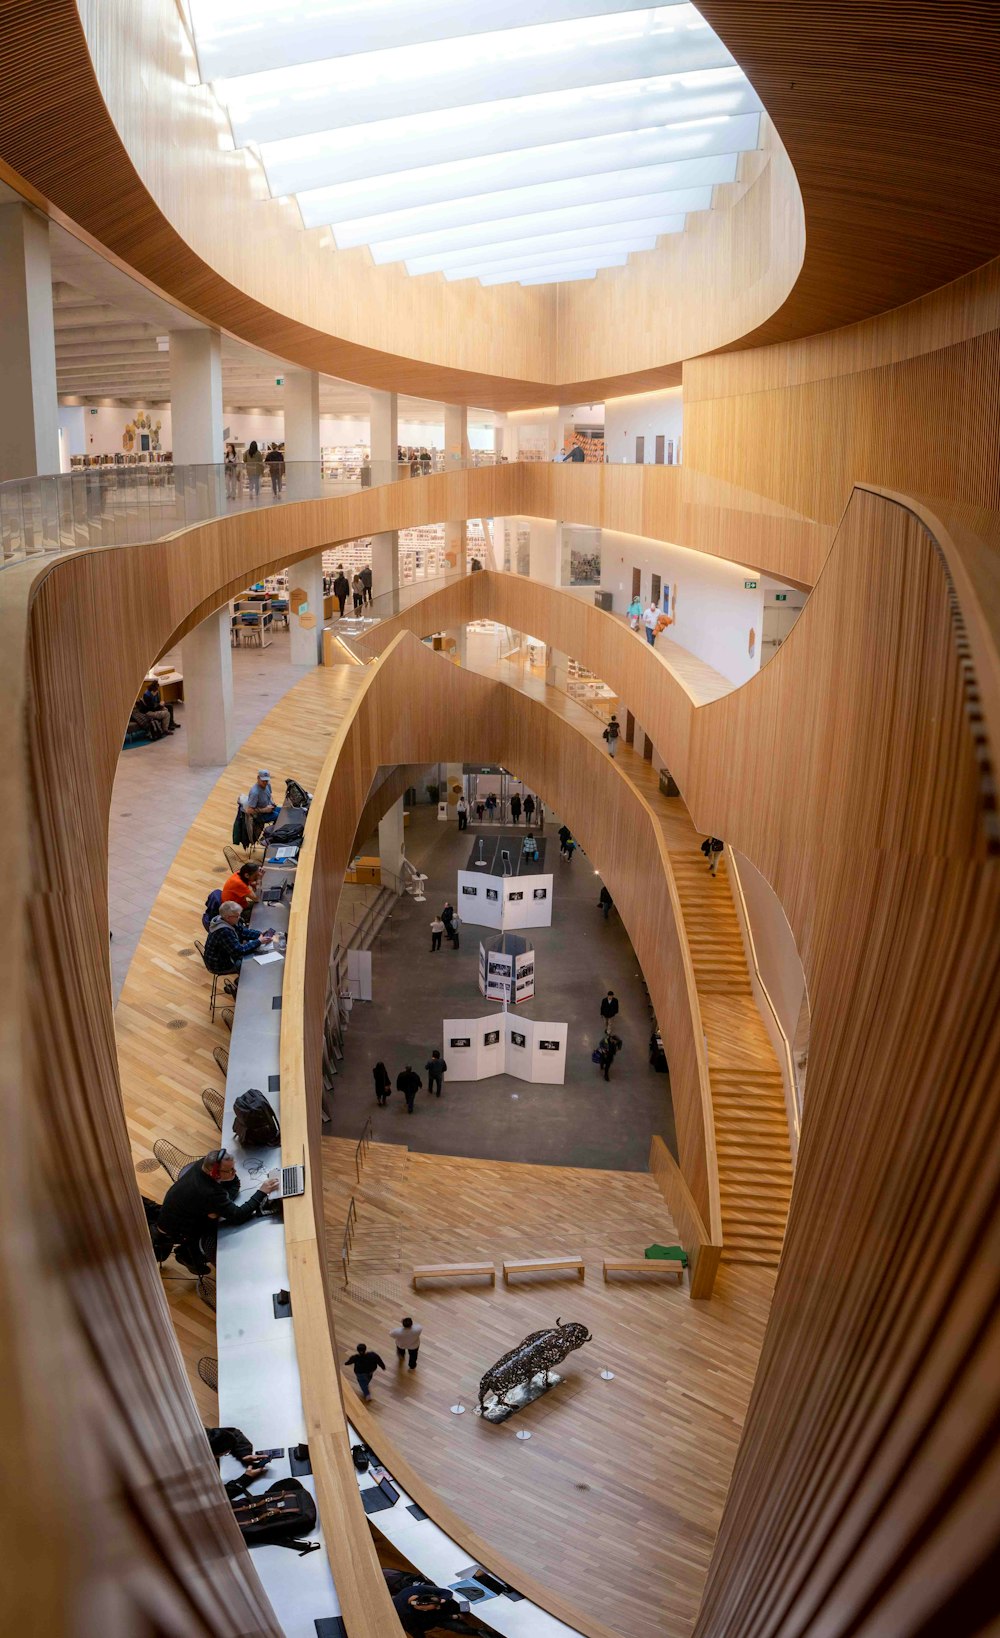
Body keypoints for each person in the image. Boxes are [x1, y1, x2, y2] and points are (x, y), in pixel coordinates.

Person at [153, 1149, 278, 1274]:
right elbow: (239, 1215)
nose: (234, 1172)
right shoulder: (208, 1192)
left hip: (181, 1211)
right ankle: (187, 1254)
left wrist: (222, 1203)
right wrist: (262, 1192)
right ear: (213, 1173)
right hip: (177, 1229)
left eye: (233, 1167)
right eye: (230, 1170)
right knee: (214, 1229)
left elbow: (234, 1182)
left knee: (215, 1215)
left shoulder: (206, 1164)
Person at [203, 900, 272, 977]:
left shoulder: (224, 920)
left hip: (226, 955)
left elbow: (242, 931)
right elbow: (239, 951)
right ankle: (242, 983)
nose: (239, 918)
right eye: (237, 916)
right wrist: (258, 941)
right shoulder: (224, 931)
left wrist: (260, 934)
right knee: (250, 965)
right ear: (228, 917)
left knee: (251, 951)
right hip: (219, 964)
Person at [206, 1426, 270, 1498]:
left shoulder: (203, 1435)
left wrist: (245, 1454)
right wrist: (247, 1478)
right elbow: (217, 1495)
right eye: (226, 1453)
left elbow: (234, 1433)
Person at [391, 1583, 464, 1636]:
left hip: (431, 1616)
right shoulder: (407, 1614)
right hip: (423, 1622)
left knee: (460, 1606)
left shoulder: (418, 1590)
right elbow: (416, 1630)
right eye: (434, 1607)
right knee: (459, 1628)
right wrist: (453, 1617)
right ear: (422, 1608)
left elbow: (446, 1592)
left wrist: (443, 1599)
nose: (437, 1608)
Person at [245, 768, 279, 839]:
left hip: (268, 808)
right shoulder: (255, 793)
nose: (265, 783)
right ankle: (270, 836)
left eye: (266, 780)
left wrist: (272, 803)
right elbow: (249, 810)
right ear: (258, 778)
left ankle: (275, 832)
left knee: (283, 812)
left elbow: (269, 796)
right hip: (260, 815)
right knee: (278, 816)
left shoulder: (268, 785)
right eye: (263, 781)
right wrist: (265, 810)